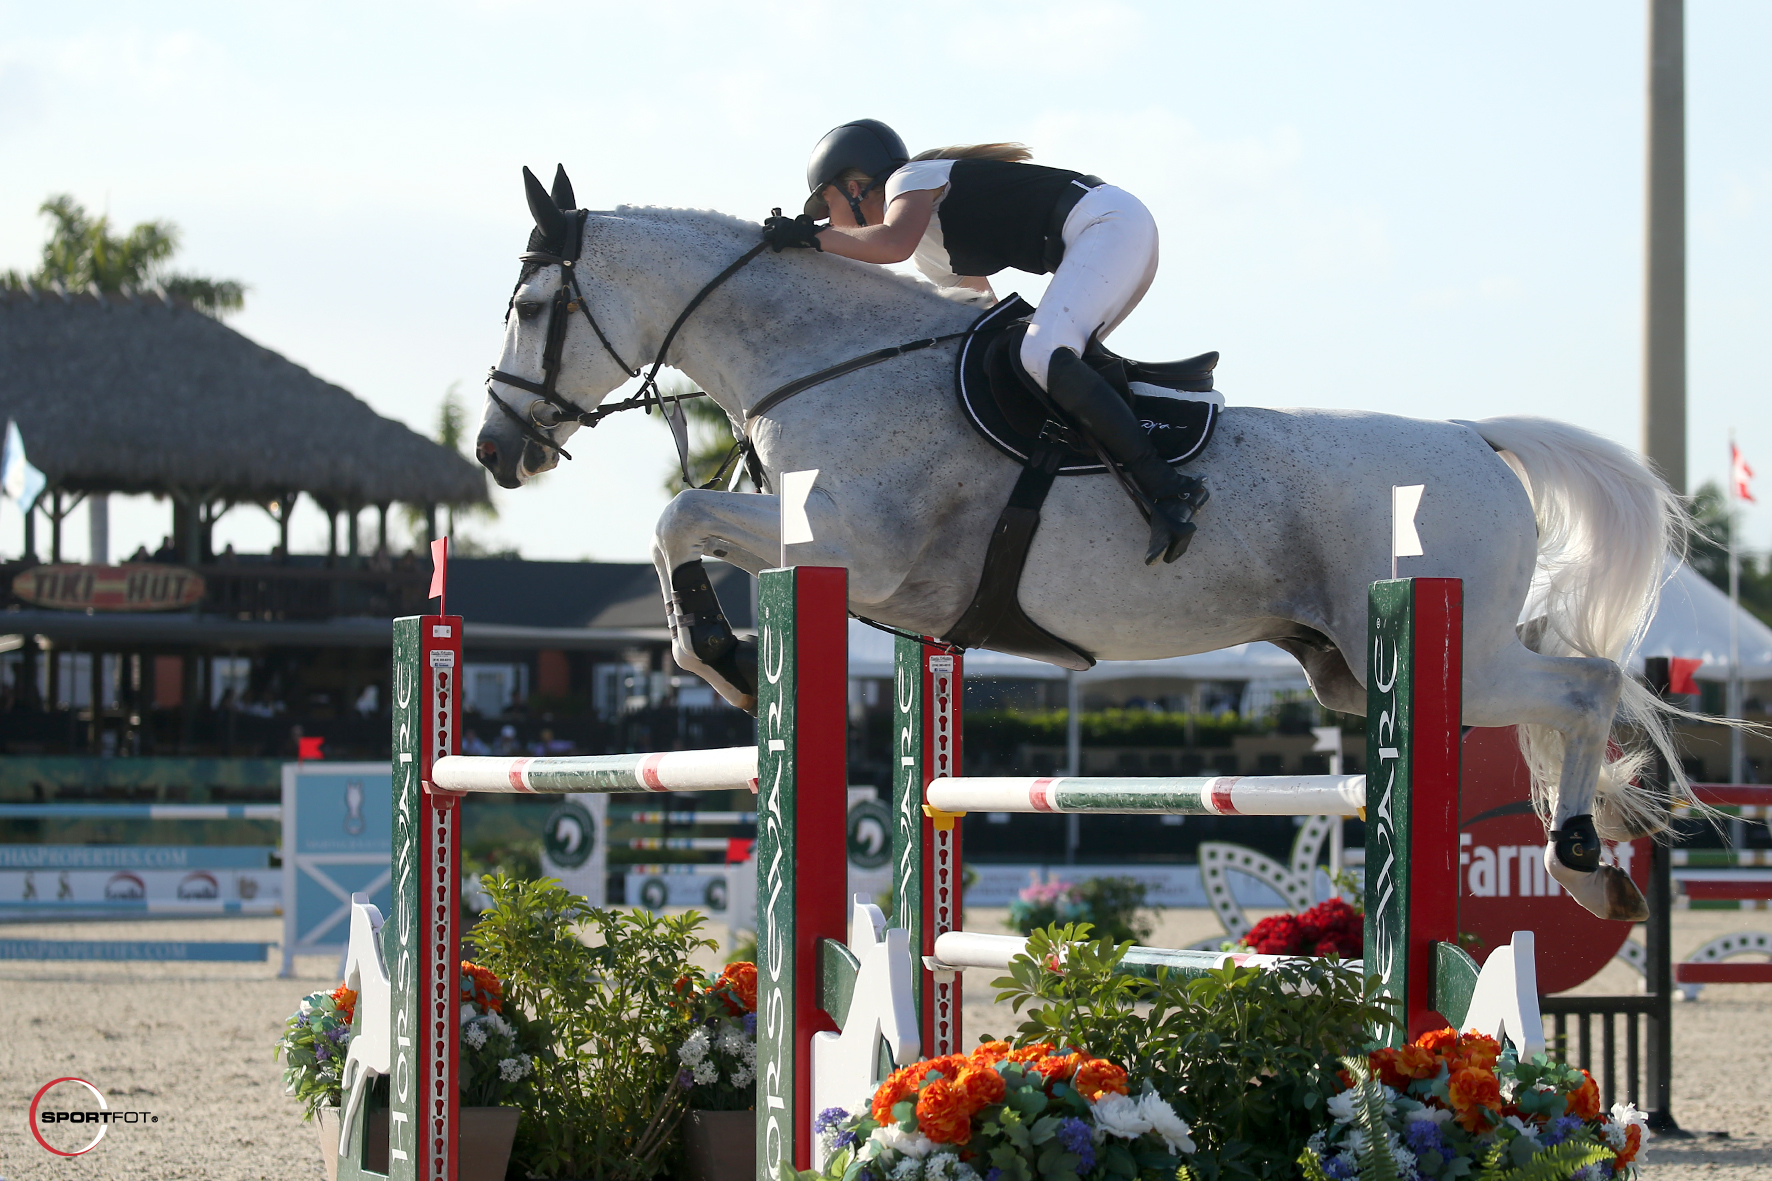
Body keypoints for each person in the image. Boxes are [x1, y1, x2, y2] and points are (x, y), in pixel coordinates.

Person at [762, 119, 1206, 563]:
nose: (828, 220)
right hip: (1112, 232)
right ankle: (1156, 426)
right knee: (1034, 362)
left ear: (855, 186)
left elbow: (890, 243)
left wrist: (811, 237)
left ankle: (1169, 488)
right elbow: (983, 311)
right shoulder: (932, 251)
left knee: (1042, 353)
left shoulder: (910, 179)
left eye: (827, 204)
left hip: (1107, 224)